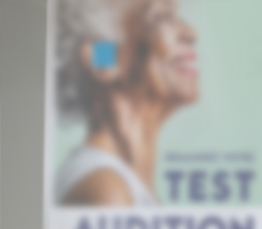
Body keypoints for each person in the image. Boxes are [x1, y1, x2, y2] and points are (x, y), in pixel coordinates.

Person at [54, 0, 198, 205]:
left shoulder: (121, 186)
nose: (191, 33)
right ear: (102, 58)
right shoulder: (107, 191)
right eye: (164, 17)